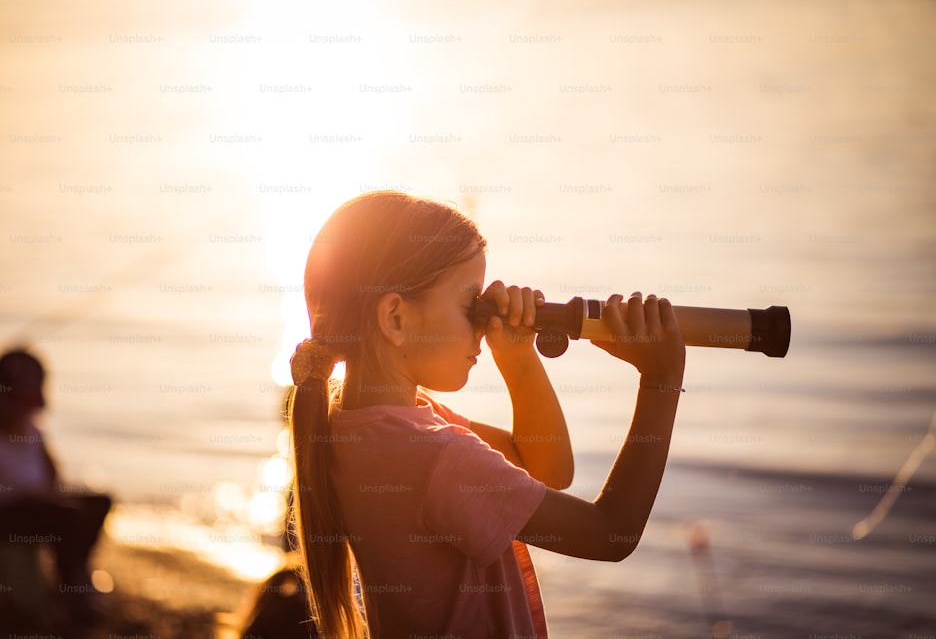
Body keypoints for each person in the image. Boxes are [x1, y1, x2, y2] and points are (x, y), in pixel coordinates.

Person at [287, 191, 686, 637]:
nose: (483, 323)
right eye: (470, 305)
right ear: (395, 319)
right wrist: (660, 380)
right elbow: (611, 534)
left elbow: (546, 469)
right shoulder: (436, 455)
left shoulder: (362, 427)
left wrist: (517, 358)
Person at [0, 347, 112, 624]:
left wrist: (59, 497)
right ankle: (73, 590)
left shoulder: (35, 433)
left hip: (34, 510)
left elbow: (54, 479)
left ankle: (74, 575)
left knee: (99, 502)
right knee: (64, 517)